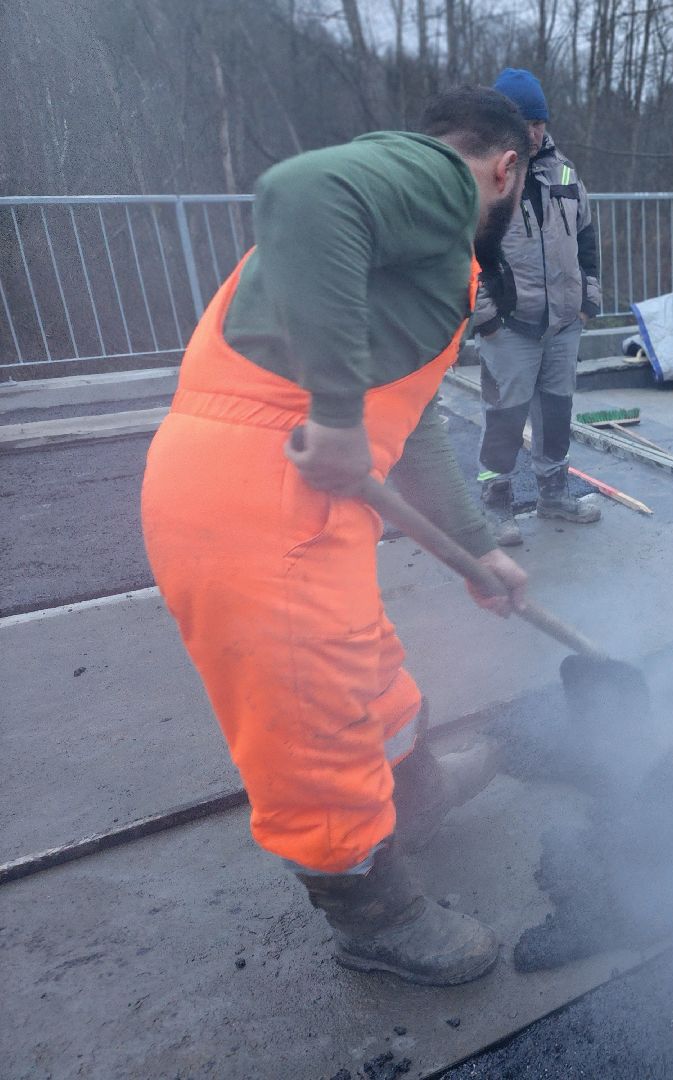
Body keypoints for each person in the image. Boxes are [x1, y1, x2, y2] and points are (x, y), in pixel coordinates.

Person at [142, 87, 532, 986]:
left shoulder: (409, 249)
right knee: (310, 729)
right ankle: (374, 917)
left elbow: (415, 422)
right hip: (252, 485)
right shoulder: (444, 180)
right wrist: (337, 408)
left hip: (297, 491)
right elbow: (300, 189)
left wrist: (474, 551)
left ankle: (415, 800)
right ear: (506, 167)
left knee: (363, 675)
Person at [471, 67, 603, 544]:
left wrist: (587, 301)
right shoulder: (486, 178)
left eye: (539, 121)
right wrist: (485, 316)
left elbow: (586, 235)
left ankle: (554, 495)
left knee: (556, 412)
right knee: (505, 416)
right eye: (524, 121)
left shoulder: (563, 170)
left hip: (563, 323)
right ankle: (496, 505)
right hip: (510, 325)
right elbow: (465, 253)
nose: (534, 131)